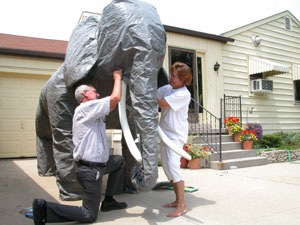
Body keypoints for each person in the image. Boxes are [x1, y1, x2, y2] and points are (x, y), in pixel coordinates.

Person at [32, 69, 127, 225]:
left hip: (100, 164)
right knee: (89, 214)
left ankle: (108, 200)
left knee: (119, 161)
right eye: (94, 92)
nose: (97, 95)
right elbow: (115, 98)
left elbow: (111, 106)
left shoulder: (93, 112)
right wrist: (117, 77)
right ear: (85, 94)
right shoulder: (85, 109)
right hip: (90, 170)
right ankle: (44, 208)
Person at [157, 62, 192, 217]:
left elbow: (161, 103)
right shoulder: (168, 89)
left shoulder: (183, 94)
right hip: (164, 134)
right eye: (170, 74)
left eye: (174, 76)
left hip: (176, 136)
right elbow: (154, 93)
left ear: (183, 79)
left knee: (173, 167)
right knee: (167, 168)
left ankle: (182, 206)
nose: (170, 78)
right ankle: (177, 200)